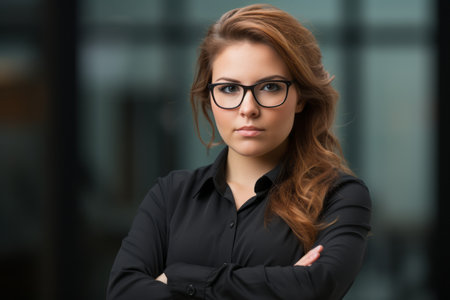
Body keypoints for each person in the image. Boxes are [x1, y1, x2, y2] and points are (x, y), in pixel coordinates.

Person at [106, 4, 371, 300]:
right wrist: (277, 286)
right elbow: (123, 292)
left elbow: (314, 286)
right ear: (210, 97)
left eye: (270, 87)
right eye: (229, 89)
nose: (248, 109)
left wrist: (178, 276)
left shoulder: (338, 197)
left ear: (301, 98)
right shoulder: (170, 196)